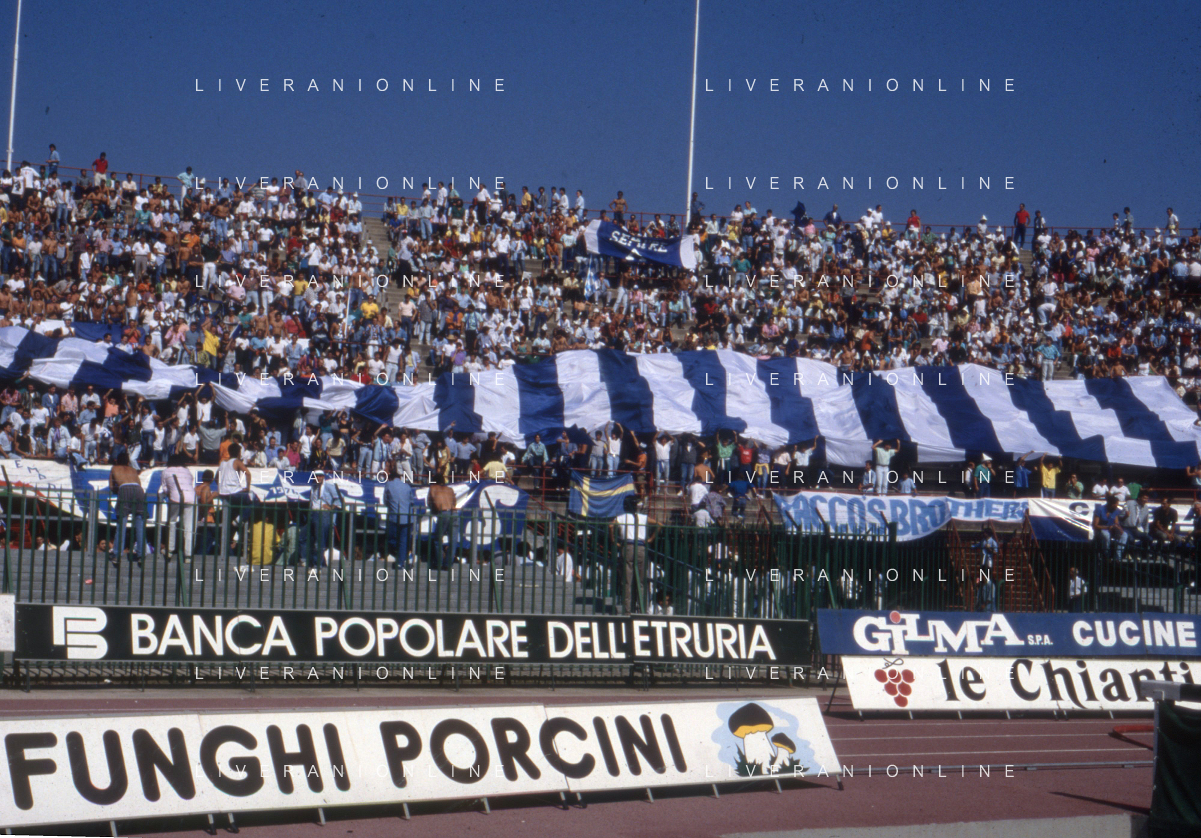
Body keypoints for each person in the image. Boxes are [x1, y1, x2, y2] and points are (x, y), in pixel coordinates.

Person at [612, 495, 657, 614]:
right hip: (641, 547)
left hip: (628, 546)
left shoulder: (621, 517)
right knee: (642, 581)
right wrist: (651, 539)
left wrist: (613, 540)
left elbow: (611, 526)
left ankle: (627, 610)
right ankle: (643, 608)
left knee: (627, 581)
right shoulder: (643, 517)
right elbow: (659, 524)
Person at [108, 451, 146, 566]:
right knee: (140, 524)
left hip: (124, 489)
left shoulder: (114, 468)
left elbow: (111, 486)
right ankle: (141, 555)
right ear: (128, 461)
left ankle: (117, 555)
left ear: (117, 460)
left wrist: (118, 490)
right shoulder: (133, 470)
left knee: (121, 524)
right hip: (138, 490)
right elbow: (139, 484)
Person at [161, 452, 195, 562]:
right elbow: (190, 483)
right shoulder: (187, 471)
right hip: (191, 497)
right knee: (189, 526)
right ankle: (188, 555)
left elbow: (165, 488)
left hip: (176, 497)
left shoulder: (166, 471)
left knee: (172, 521)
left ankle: (170, 550)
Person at [383, 463, 416, 567]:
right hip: (407, 517)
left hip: (394, 517)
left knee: (392, 538)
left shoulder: (388, 485)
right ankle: (401, 561)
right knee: (403, 540)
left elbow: (385, 501)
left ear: (390, 478)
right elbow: (412, 501)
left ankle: (397, 556)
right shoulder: (407, 486)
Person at [427, 473, 458, 570]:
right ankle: (448, 564)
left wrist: (436, 511)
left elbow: (430, 503)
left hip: (443, 513)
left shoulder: (432, 488)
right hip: (454, 513)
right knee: (453, 540)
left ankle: (439, 563)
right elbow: (454, 503)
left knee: (437, 539)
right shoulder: (450, 489)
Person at [1093, 494, 1128, 561]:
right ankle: (1106, 555)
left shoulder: (1116, 511)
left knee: (1124, 535)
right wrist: (1107, 527)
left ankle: (1118, 556)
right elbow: (1095, 525)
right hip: (1102, 529)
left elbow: (1116, 522)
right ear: (1111, 504)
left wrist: (1120, 529)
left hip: (1112, 529)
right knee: (1106, 535)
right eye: (1116, 504)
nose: (1117, 506)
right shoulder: (1100, 509)